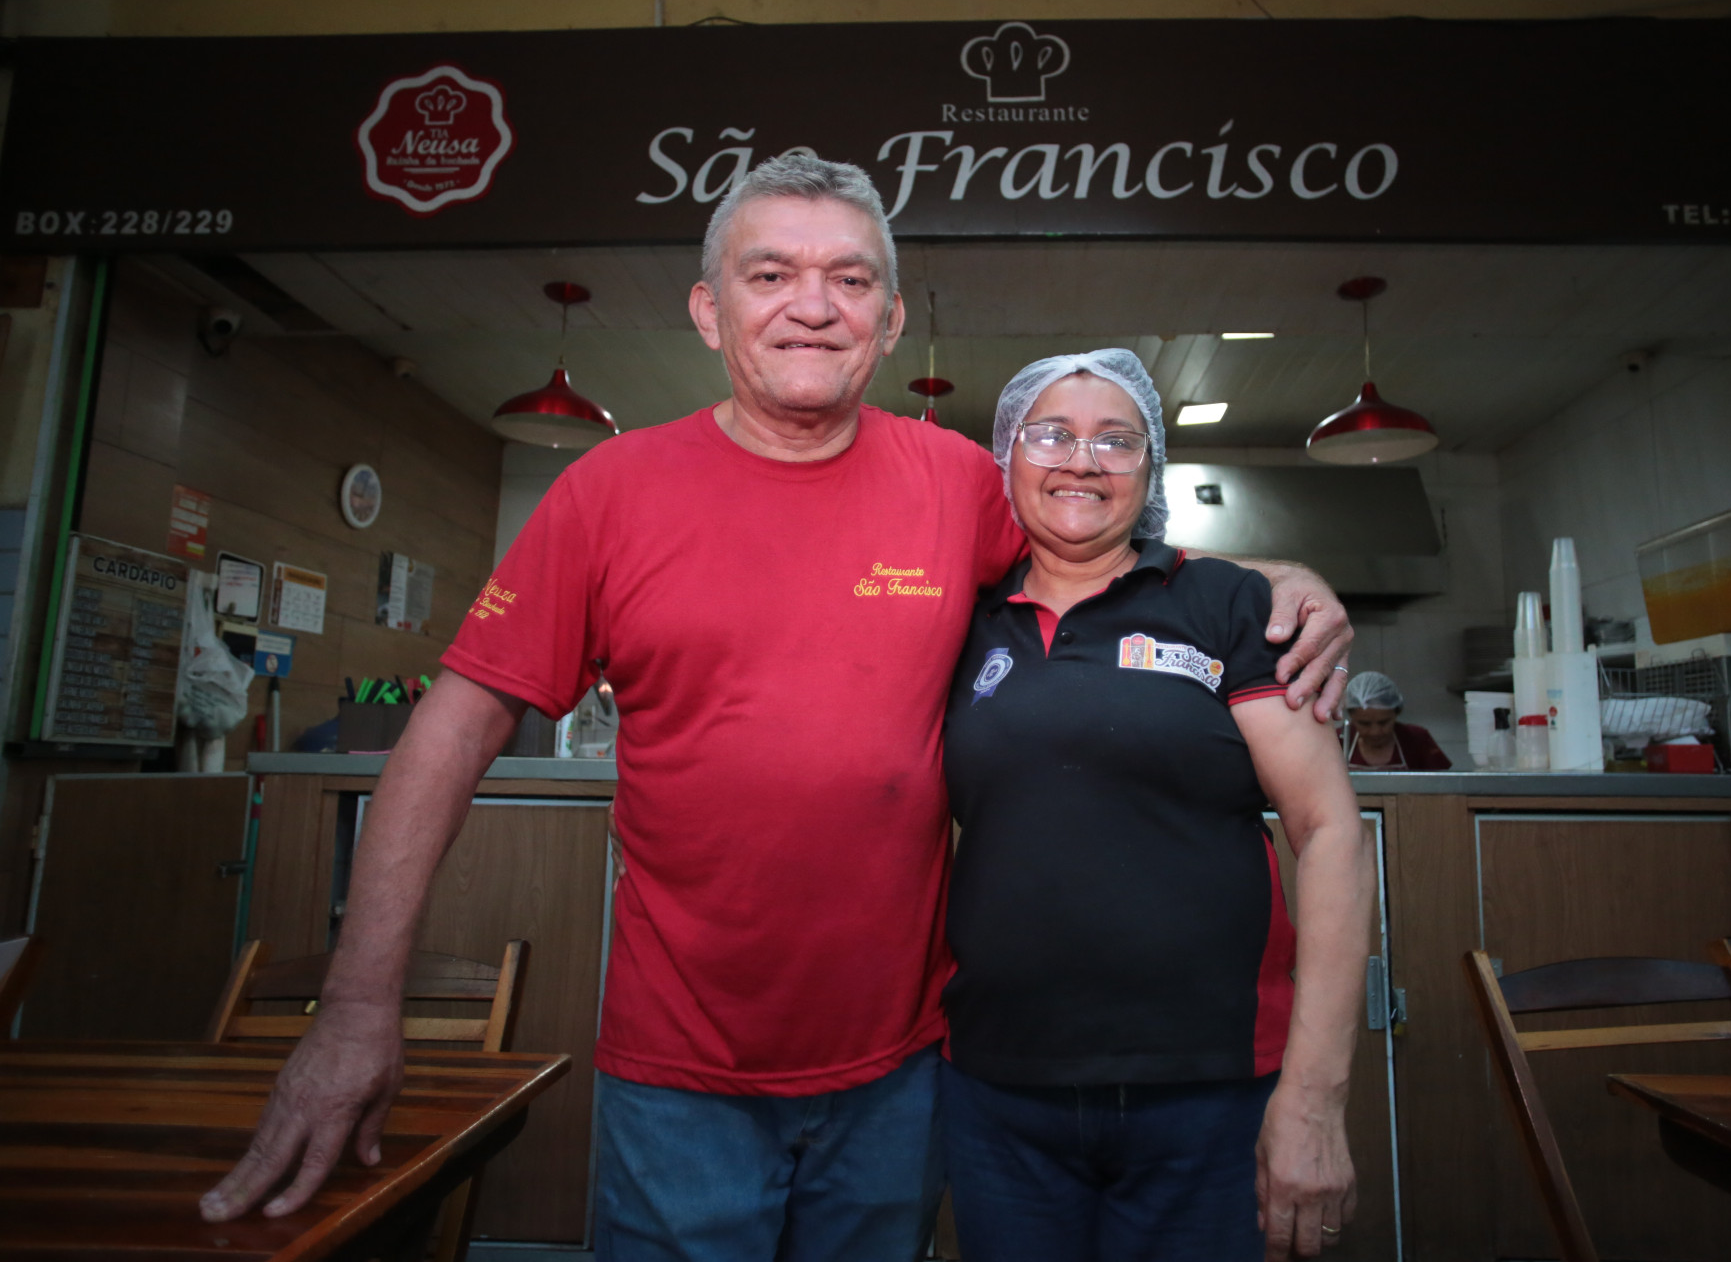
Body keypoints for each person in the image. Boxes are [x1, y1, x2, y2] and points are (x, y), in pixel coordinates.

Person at [198, 156, 1355, 1261]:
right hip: (679, 1073)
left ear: (890, 321)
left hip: (903, 1070)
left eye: (851, 279)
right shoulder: (606, 491)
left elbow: (1103, 548)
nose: (815, 306)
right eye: (772, 274)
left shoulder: (955, 482)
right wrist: (357, 1005)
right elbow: (452, 729)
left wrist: (1279, 583)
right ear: (709, 311)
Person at [940, 351, 1373, 1262]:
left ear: (1153, 468)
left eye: (1117, 441)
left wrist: (1313, 1097)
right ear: (1004, 459)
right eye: (1051, 433)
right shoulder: (960, 617)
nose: (1082, 460)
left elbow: (1329, 830)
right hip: (997, 1087)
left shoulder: (1225, 605)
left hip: (1208, 1093)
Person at [1342, 671, 1452, 771]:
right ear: (1352, 717)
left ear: (1396, 713)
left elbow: (1442, 784)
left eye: (1383, 722)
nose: (1375, 731)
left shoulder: (1417, 738)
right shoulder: (1338, 741)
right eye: (1364, 724)